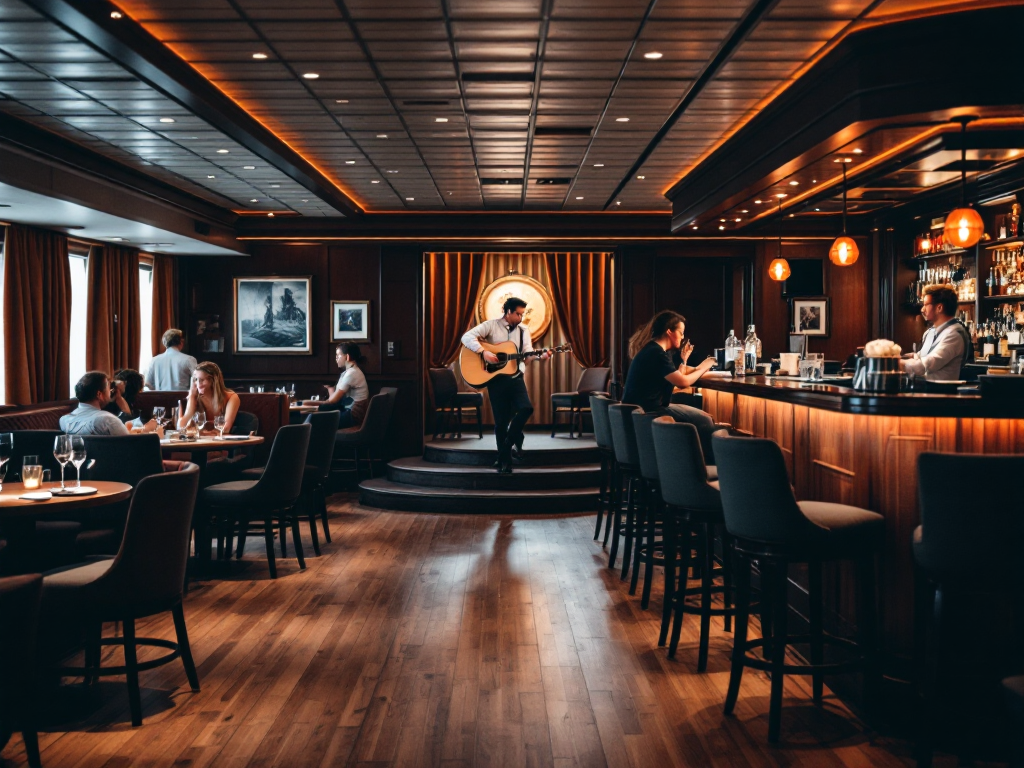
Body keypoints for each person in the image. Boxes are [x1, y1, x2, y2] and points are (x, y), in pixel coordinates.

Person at [461, 297, 550, 474]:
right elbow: (466, 337)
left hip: (516, 377)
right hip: (496, 380)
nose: (521, 317)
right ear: (508, 312)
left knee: (526, 408)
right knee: (501, 422)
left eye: (522, 314)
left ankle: (506, 447)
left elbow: (527, 353)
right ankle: (505, 462)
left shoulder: (524, 330)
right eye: (518, 314)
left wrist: (540, 356)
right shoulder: (491, 325)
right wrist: (484, 352)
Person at [622, 310, 717, 415]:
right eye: (681, 333)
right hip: (647, 414)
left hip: (639, 412)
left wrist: (684, 360)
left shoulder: (652, 349)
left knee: (702, 416)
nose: (682, 337)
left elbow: (675, 378)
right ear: (669, 332)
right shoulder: (657, 353)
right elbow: (682, 382)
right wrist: (706, 365)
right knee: (705, 419)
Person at [901, 284, 970, 381]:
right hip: (922, 391)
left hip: (940, 393)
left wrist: (894, 363)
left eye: (925, 305)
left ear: (939, 308)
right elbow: (920, 356)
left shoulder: (954, 334)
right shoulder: (930, 332)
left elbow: (925, 365)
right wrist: (903, 356)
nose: (922, 309)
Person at [61, 371, 160, 436]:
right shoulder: (108, 420)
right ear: (99, 394)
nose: (111, 391)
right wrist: (147, 430)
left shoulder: (64, 420)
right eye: (108, 388)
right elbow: (130, 446)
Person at [177, 361, 240, 433]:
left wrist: (201, 432)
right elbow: (181, 426)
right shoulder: (195, 397)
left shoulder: (232, 397)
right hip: (201, 442)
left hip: (222, 442)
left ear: (213, 381)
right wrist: (191, 396)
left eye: (202, 380)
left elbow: (226, 429)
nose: (198, 384)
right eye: (196, 380)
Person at [320, 342, 370, 428]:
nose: (336, 358)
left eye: (338, 355)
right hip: (347, 412)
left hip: (353, 417)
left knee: (316, 419)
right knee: (318, 413)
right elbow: (333, 400)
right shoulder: (349, 372)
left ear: (347, 357)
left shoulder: (351, 374)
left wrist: (306, 403)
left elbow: (332, 401)